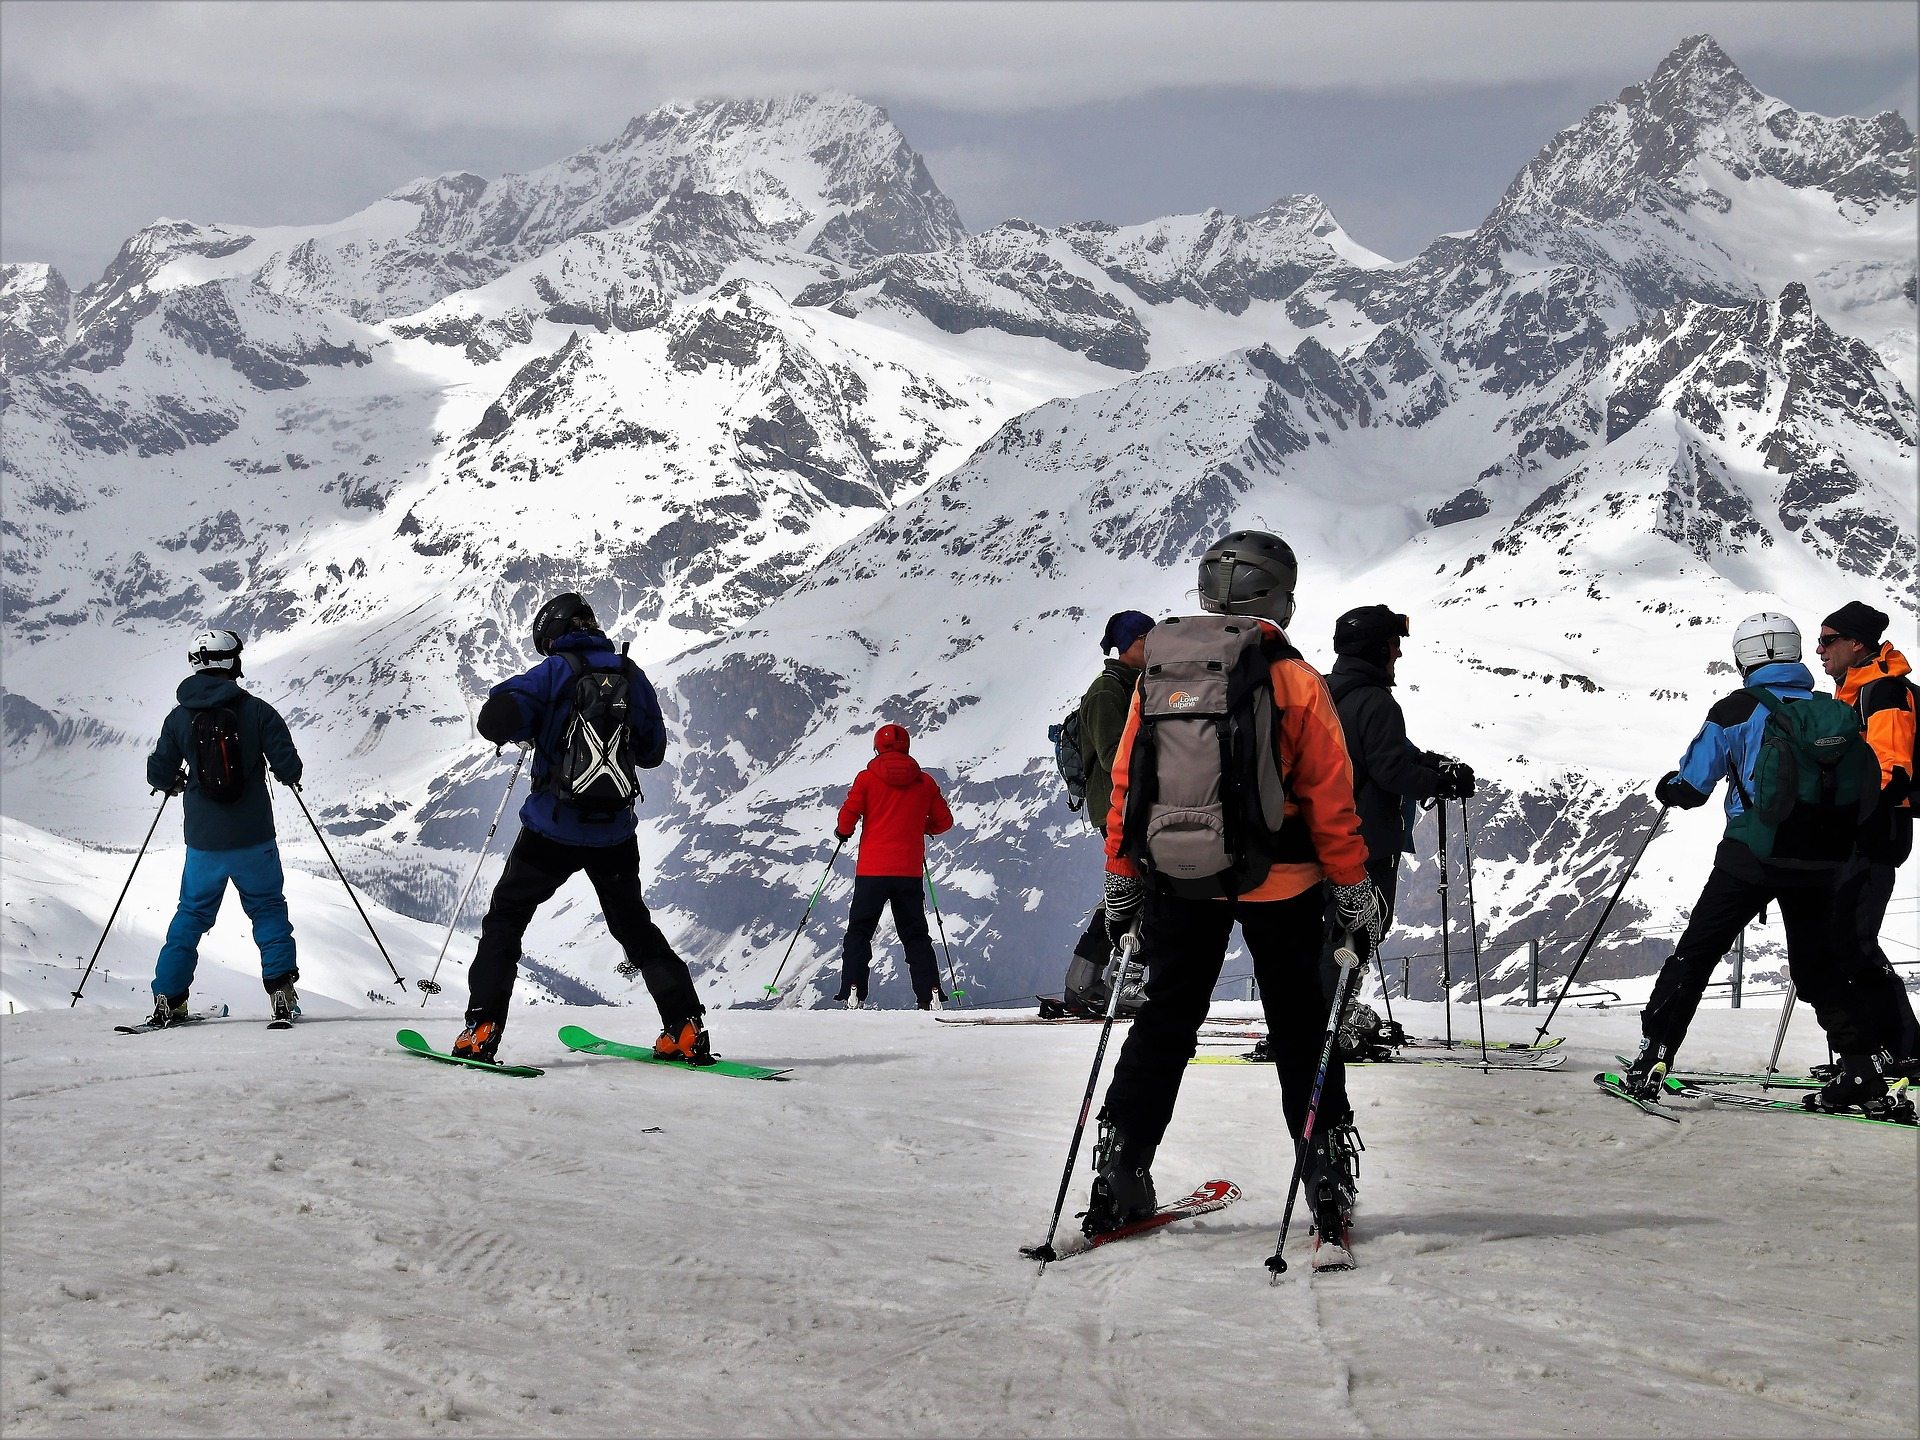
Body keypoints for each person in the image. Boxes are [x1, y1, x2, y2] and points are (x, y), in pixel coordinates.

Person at [1086, 530, 1381, 1265]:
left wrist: (1121, 873)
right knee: (1300, 1024)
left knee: (1165, 1019)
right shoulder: (1293, 678)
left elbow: (1129, 783)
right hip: (1282, 883)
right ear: (1280, 592)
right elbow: (1329, 799)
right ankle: (1324, 1182)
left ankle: (1120, 1168)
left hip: (1178, 880)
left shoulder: (1159, 670)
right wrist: (1352, 886)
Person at [1629, 612, 1899, 1117]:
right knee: (1819, 964)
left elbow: (1692, 787)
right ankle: (1859, 1066)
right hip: (1822, 859)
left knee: (1698, 952)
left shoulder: (1737, 707)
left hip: (1751, 854)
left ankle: (1654, 1056)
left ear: (1747, 657)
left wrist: (1668, 786)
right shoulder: (1828, 708)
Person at [453, 593, 708, 1065]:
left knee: (507, 917)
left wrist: (533, 719)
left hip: (552, 829)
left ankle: (482, 1028)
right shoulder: (631, 674)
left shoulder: (554, 671)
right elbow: (651, 752)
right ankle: (685, 1027)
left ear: (552, 633)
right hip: (614, 834)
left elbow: (495, 721)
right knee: (634, 927)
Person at [143, 629, 304, 1025]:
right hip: (254, 837)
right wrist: (284, 774)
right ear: (232, 662)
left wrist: (177, 782)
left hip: (203, 841)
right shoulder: (257, 710)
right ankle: (281, 992)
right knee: (267, 909)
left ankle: (168, 998)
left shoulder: (179, 717)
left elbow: (159, 770)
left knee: (191, 915)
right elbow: (288, 765)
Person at [1816, 601, 1918, 1075]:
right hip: (1866, 831)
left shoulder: (1882, 692)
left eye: (1828, 639)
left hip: (1875, 831)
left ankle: (1904, 1050)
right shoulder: (1856, 692)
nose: (1819, 650)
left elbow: (1890, 770)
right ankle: (1887, 1049)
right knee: (1847, 941)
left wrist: (1848, 820)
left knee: (1855, 941)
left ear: (1856, 642)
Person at [1058, 610, 1154, 1018]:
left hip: (1129, 804)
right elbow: (1117, 756)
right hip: (1118, 806)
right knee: (1136, 889)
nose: (1153, 646)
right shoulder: (1107, 692)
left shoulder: (1131, 686)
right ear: (1130, 644)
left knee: (1137, 889)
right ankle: (1089, 980)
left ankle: (1090, 978)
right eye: (1146, 639)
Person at [832, 723, 955, 1009]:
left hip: (871, 872)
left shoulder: (866, 779)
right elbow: (944, 821)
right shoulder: (924, 782)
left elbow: (849, 814)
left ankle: (853, 990)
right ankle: (931, 994)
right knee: (915, 935)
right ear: (907, 748)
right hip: (908, 872)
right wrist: (921, 826)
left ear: (877, 748)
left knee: (860, 932)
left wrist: (843, 832)